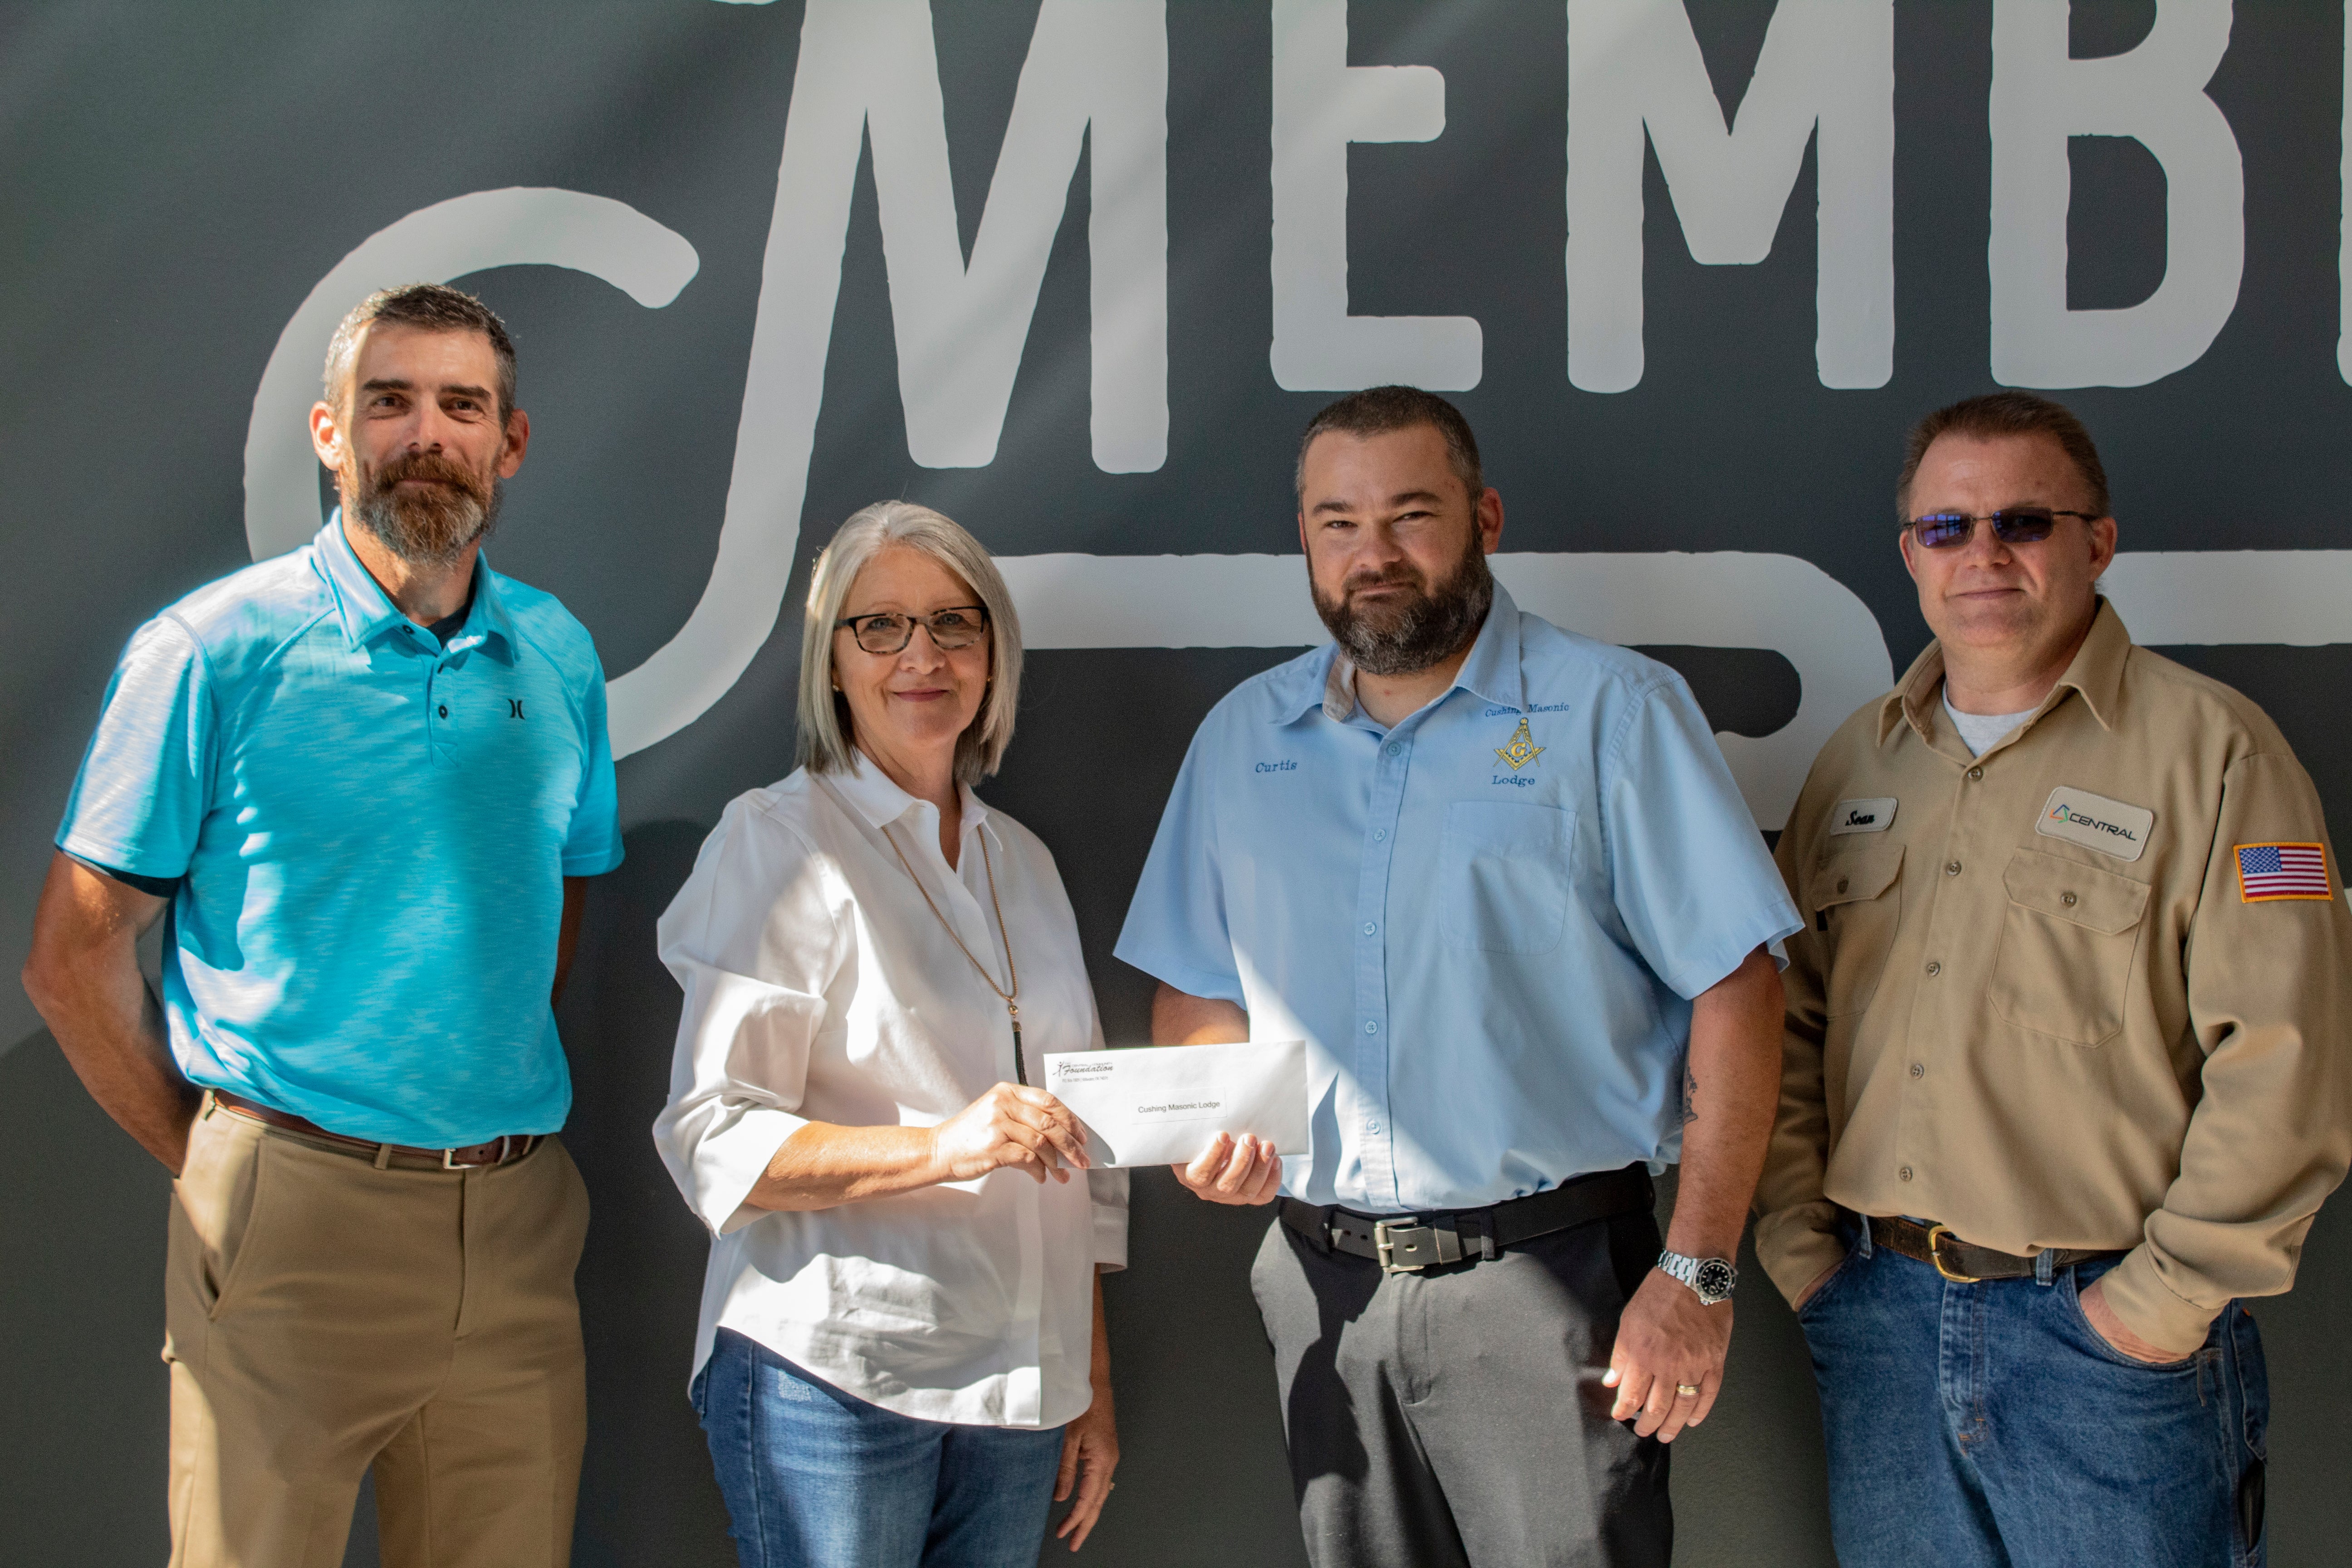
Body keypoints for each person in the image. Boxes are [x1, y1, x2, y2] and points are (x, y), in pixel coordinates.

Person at [1114, 386, 1799, 1568]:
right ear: (1306, 543)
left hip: (1554, 1289)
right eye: (1338, 523)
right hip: (1323, 1290)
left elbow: (1740, 992)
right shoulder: (1243, 739)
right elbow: (1192, 981)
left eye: (1410, 515)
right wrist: (1209, 1110)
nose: (1372, 555)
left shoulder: (1614, 715)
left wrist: (1696, 1276)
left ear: (1483, 517)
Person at [20, 282, 622, 1567]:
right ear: (329, 434)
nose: (426, 432)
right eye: (388, 401)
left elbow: (559, 895)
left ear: (508, 444)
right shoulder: (211, 651)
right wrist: (219, 1164)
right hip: (291, 1219)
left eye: (462, 406)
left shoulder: (559, 654)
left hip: (516, 1227)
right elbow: (72, 956)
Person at [1755, 391, 2352, 1568]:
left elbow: (2286, 1063)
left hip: (2106, 1346)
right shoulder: (1857, 762)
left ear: (2099, 542)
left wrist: (2152, 1313)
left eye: (2024, 522)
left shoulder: (2216, 753)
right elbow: (1792, 1025)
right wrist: (1802, 1250)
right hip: (1879, 1320)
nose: (1982, 553)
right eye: (1947, 527)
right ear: (1909, 555)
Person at [653, 501, 1125, 1568]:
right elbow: (713, 1137)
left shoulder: (1026, 864)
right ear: (832, 663)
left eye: (954, 624)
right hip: (838, 1379)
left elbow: (1079, 1158)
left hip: (1019, 1391)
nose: (923, 655)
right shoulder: (777, 842)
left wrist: (1086, 1378)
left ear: (992, 652)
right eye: (881, 627)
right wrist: (941, 1147)